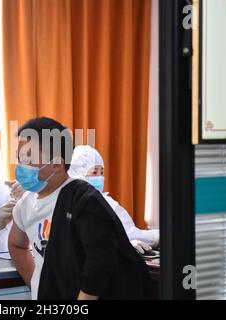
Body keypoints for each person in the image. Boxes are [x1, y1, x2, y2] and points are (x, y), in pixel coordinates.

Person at [8, 117, 152, 300]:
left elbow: (100, 260)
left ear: (57, 164)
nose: (21, 166)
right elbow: (16, 244)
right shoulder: (25, 205)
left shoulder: (84, 199)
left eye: (28, 159)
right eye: (19, 157)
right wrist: (37, 283)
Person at [68, 145, 159, 253]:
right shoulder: (66, 204)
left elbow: (130, 233)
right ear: (77, 174)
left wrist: (164, 236)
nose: (100, 178)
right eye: (94, 172)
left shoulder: (108, 203)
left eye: (102, 172)